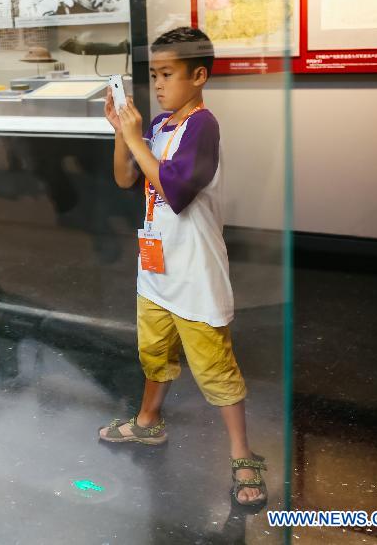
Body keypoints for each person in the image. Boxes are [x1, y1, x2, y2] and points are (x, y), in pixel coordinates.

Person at [98, 26, 267, 508]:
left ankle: (242, 453)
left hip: (194, 273)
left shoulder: (202, 126)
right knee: (154, 353)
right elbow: (126, 176)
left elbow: (173, 189)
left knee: (214, 365)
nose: (158, 84)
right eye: (154, 75)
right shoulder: (159, 126)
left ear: (198, 76)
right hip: (155, 270)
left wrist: (136, 137)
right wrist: (122, 135)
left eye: (167, 74)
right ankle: (148, 422)